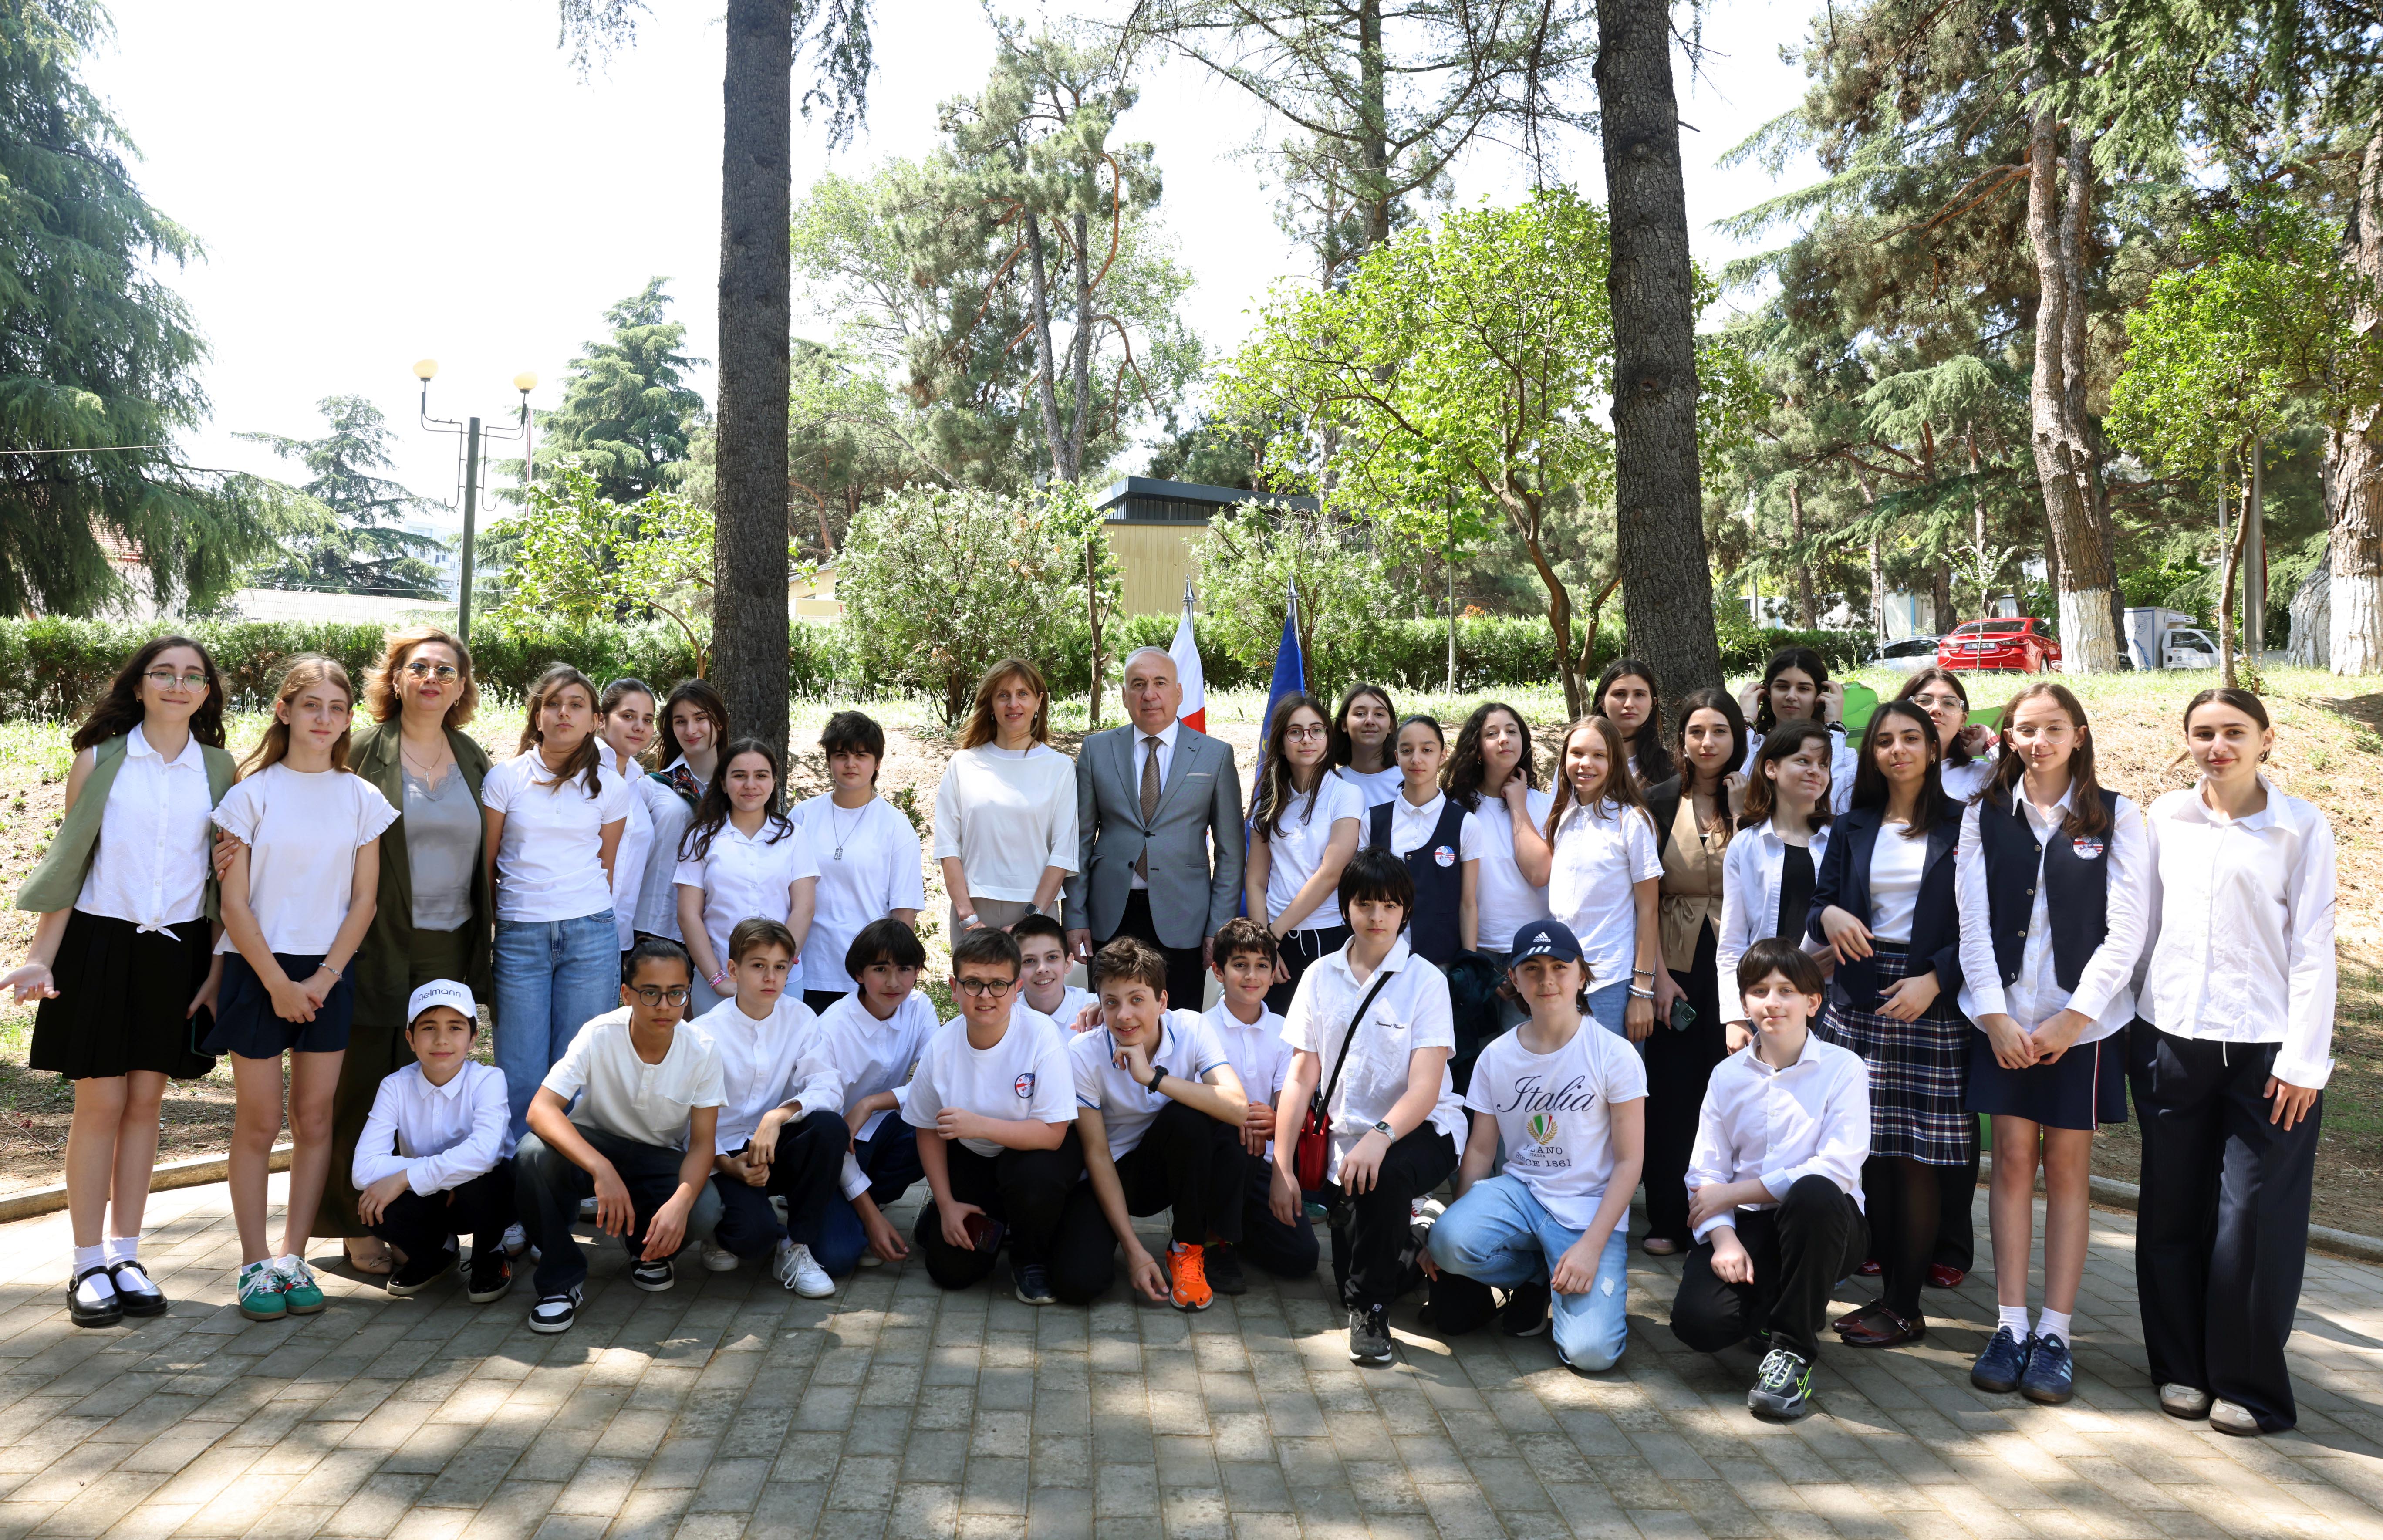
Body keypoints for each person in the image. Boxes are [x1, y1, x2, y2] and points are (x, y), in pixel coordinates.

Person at [6, 637, 236, 1328]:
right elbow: (71, 861)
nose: (178, 685)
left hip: (178, 953)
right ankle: (86, 1264)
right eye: (164, 673)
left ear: (206, 693)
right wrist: (42, 956)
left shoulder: (219, 769)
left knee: (145, 1104)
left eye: (193, 676)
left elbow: (223, 881)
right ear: (139, 685)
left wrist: (217, 971)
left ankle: (128, 1256)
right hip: (99, 947)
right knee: (100, 1104)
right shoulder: (100, 759)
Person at [2132, 687, 2336, 1437]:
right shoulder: (2165, 818)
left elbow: (2313, 946)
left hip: (2267, 1051)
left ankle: (2248, 1383)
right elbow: (2141, 928)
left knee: (2251, 1217)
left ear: (2265, 740)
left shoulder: (2299, 827)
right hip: (2170, 1037)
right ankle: (2180, 1366)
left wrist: (2303, 1060)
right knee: (2170, 1208)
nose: (2217, 746)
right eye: (2203, 733)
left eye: (2233, 732)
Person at [1954, 683, 2147, 1407]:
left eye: (2053, 728)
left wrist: (2075, 1018)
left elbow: (2127, 929)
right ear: (2007, 736)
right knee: (2009, 1162)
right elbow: (1971, 921)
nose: (2038, 741)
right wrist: (1995, 1016)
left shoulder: (2116, 815)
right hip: (2004, 1020)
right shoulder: (1983, 813)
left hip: (2080, 1026)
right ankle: (2009, 1326)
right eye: (2025, 729)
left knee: (2066, 1169)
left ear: (2078, 734)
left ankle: (2056, 1334)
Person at [208, 656, 397, 1323]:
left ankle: (293, 1259)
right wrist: (277, 984)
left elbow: (365, 900)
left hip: (327, 975)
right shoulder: (250, 794)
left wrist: (321, 978)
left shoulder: (362, 798)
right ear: (284, 711)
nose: (324, 718)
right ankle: (254, 1264)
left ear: (348, 720)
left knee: (314, 1120)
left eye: (337, 708)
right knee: (259, 1121)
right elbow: (234, 903)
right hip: (258, 970)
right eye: (311, 705)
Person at [318, 628, 498, 1273]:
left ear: (461, 686)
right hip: (375, 941)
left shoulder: (473, 756)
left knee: (430, 1091)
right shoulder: (361, 749)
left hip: (451, 947)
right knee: (365, 1088)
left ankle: (419, 1223)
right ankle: (352, 1219)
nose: (431, 679)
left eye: (446, 671)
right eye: (418, 667)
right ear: (395, 679)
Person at [1808, 699, 1968, 1350]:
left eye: (1910, 738)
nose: (1897, 750)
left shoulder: (1966, 823)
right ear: (1871, 753)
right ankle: (1882, 1294)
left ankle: (1906, 1306)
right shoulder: (1853, 824)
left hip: (1926, 995)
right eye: (1884, 740)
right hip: (1860, 993)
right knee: (1868, 1149)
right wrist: (1829, 918)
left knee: (1916, 1158)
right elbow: (1821, 902)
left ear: (1932, 749)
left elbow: (1987, 925)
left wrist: (1937, 979)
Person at [1273, 848, 1467, 1366]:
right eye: (1365, 903)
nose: (1377, 916)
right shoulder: (1319, 975)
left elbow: (1425, 1087)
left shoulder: (1426, 980)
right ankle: (1414, 1234)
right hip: (1347, 1143)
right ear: (1346, 908)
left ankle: (1371, 1313)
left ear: (1406, 910)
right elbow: (1301, 1075)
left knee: (1382, 1192)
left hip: (1423, 1128)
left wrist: (1380, 1136)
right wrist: (1282, 1166)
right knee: (1350, 1272)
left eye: (1390, 904)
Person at [1425, 919, 1647, 1371]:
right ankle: (1538, 1274)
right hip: (1522, 1195)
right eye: (1533, 969)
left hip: (1588, 1210)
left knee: (1591, 1354)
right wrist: (1455, 1236)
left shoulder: (1615, 1054)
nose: (1547, 980)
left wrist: (1590, 1247)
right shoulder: (1497, 1055)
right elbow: (1481, 1151)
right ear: (1514, 979)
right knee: (1448, 1241)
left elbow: (1630, 1162)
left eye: (1560, 967)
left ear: (1582, 975)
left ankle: (1565, 1276)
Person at [1668, 939, 1871, 1423]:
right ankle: (1777, 1309)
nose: (1772, 1002)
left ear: (1813, 1002)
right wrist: (1723, 1240)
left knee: (1813, 1191)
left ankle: (1793, 1353)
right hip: (1751, 1224)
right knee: (1699, 1323)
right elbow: (1706, 1173)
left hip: (1828, 1223)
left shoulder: (1844, 1068)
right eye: (1759, 991)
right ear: (1744, 1003)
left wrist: (1734, 1192)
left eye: (1786, 991)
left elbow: (1838, 1167)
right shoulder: (1726, 1075)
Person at [514, 939, 724, 1334]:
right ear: (626, 994)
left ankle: (648, 1251)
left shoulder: (703, 1050)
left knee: (704, 1208)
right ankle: (560, 1280)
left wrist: (680, 1203)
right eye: (651, 993)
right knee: (531, 1155)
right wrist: (601, 1169)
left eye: (676, 993)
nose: (664, 1006)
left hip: (658, 1156)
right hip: (596, 1144)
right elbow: (541, 1110)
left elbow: (702, 1144)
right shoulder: (599, 1033)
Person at [1050, 938, 1250, 1310]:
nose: (1124, 1015)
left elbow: (1239, 1109)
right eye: (1112, 1002)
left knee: (1192, 1120)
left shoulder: (1191, 1028)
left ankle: (1188, 1247)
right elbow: (1097, 1154)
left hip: (1178, 1161)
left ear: (1162, 1002)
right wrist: (1135, 1251)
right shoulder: (1083, 1053)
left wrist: (1152, 1077)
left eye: (1137, 999)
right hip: (1117, 1173)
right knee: (1077, 1284)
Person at [482, 664, 636, 1141]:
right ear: (538, 716)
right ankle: (519, 1173)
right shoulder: (506, 778)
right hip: (521, 936)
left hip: (590, 935)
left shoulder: (611, 786)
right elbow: (488, 864)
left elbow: (606, 866)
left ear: (594, 720)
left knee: (578, 1066)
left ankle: (568, 1174)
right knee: (521, 1068)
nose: (564, 713)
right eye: (553, 704)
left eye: (576, 705)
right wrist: (509, 920)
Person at [903, 927, 1083, 1303]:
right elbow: (927, 1129)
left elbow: (1053, 1134)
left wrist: (978, 1125)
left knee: (1034, 1176)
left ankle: (1029, 1259)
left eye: (998, 984)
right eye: (973, 983)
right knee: (950, 1272)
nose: (985, 996)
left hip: (1034, 1156)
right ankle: (945, 1214)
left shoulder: (1042, 1036)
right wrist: (948, 1204)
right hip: (974, 1158)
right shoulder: (941, 1047)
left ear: (1017, 988)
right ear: (954, 988)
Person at [1064, 647, 1244, 1011]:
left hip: (1185, 917)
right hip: (1111, 914)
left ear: (1178, 693)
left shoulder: (1215, 755)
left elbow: (1231, 852)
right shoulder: (1097, 750)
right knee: (1113, 1019)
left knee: (1178, 1022)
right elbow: (1079, 841)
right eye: (1138, 684)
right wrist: (1075, 915)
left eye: (1160, 683)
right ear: (1124, 695)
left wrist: (1218, 926)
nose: (1149, 694)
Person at [687, 919, 851, 1298]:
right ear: (733, 970)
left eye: (780, 967)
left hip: (775, 1145)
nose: (770, 978)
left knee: (829, 1127)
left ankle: (796, 1246)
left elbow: (828, 1085)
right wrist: (725, 1163)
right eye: (758, 965)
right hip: (724, 1156)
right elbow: (684, 1123)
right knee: (751, 1240)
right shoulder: (705, 1033)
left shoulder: (801, 1018)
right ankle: (719, 1230)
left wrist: (778, 1116)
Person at [1639, 687, 1748, 1255]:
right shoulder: (1657, 802)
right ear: (1681, 739)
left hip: (1738, 963)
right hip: (1675, 964)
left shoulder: (1757, 798)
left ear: (1737, 737)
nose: (1707, 742)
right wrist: (1656, 977)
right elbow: (1643, 898)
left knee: (1732, 1090)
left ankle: (1727, 1217)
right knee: (1673, 1091)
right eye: (1696, 732)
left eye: (1719, 731)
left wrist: (1745, 809)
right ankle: (1668, 1216)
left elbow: (1766, 878)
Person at [351, 980, 516, 1303]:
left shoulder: (489, 1080)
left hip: (482, 1196)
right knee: (373, 1202)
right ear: (411, 1039)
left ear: (473, 1038)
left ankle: (490, 1255)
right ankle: (438, 1253)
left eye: (455, 1027)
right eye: (428, 1028)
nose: (442, 1039)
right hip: (432, 1199)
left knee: (485, 1179)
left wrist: (405, 1177)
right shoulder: (395, 1086)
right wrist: (442, 1176)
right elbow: (364, 1170)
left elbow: (484, 1155)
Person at [1200, 918, 1320, 1290]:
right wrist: (1240, 1116)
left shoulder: (1285, 1031)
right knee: (1235, 1138)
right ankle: (1213, 1242)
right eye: (1240, 965)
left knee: (1302, 1257)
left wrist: (1274, 1119)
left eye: (1262, 966)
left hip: (1263, 1161)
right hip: (1217, 1158)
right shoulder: (1199, 1028)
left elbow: (1288, 1103)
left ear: (1272, 974)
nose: (1252, 976)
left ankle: (1235, 1229)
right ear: (1218, 972)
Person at [811, 919, 936, 1277]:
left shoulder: (919, 1007)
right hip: (837, 1148)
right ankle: (848, 1210)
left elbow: (939, 1081)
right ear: (859, 974)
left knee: (939, 1121)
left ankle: (871, 1201)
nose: (894, 982)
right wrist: (870, 1220)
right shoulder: (832, 1028)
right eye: (881, 969)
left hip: (884, 1131)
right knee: (837, 1258)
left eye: (905, 969)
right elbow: (826, 1132)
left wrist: (869, 1104)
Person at [672, 739, 818, 1017]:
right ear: (723, 783)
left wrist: (780, 969)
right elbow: (688, 915)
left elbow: (805, 908)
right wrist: (717, 979)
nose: (750, 785)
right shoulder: (701, 838)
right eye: (740, 776)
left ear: (773, 782)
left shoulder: (793, 836)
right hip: (718, 982)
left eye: (761, 775)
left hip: (782, 985)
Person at [792, 710, 923, 1013]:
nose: (851, 764)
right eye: (841, 755)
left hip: (868, 973)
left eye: (861, 756)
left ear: (877, 763)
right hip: (808, 967)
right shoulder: (802, 816)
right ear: (829, 761)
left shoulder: (896, 826)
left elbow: (904, 910)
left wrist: (894, 974)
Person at [934, 659, 1078, 935]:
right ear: (991, 704)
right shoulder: (962, 764)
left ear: (1039, 701)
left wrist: (1031, 920)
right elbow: (947, 846)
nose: (1013, 704)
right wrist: (968, 917)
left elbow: (1063, 853)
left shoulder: (1060, 768)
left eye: (1023, 694)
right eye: (1003, 695)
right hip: (972, 911)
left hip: (1037, 911)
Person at [1716, 720, 1835, 1050]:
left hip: (1829, 998)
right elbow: (1732, 940)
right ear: (1771, 768)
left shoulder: (1840, 841)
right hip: (1766, 998)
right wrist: (1734, 1016)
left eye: (1823, 764)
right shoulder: (1747, 845)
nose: (1815, 772)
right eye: (1803, 761)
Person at [1543, 716, 1662, 1042]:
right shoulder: (1562, 816)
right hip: (1560, 978)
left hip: (1611, 983)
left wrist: (1642, 992)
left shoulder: (1631, 821)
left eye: (1599, 755)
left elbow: (1649, 910)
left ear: (1615, 762)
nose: (1586, 764)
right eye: (1577, 753)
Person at [1245, 691, 1364, 1011]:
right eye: (1295, 732)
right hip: (1273, 939)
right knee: (1277, 1031)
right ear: (1281, 741)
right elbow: (1255, 880)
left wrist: (1274, 934)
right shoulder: (1267, 800)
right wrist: (1264, 945)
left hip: (1326, 934)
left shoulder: (1346, 794)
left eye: (1316, 730)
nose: (1307, 739)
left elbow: (1330, 874)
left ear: (1328, 737)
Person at [1367, 715, 1481, 967]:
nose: (1416, 759)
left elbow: (1468, 903)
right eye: (1407, 750)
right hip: (1381, 959)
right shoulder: (1373, 821)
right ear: (1397, 757)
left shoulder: (1465, 823)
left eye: (1427, 750)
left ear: (1443, 756)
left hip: (1442, 961)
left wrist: (1470, 964)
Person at [1444, 702, 1553, 963]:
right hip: (1478, 947)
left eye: (1512, 731)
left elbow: (1540, 874)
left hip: (1537, 948)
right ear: (1477, 749)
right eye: (1492, 734)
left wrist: (1518, 805)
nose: (1504, 739)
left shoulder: (1547, 805)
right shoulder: (1455, 810)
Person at [633, 680, 727, 944]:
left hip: (716, 930)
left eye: (700, 718)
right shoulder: (652, 787)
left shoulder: (739, 789)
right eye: (681, 721)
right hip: (652, 926)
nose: (691, 730)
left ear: (720, 722)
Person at [1741, 647, 1856, 814]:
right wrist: (1746, 721)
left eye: (1803, 689)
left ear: (1819, 696)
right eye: (1782, 687)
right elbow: (1740, 782)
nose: (1791, 696)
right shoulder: (1755, 747)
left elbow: (1833, 804)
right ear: (1768, 693)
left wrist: (1835, 727)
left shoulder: (1845, 756)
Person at [596, 679, 659, 956]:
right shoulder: (585, 773)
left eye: (648, 720)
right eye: (628, 716)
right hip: (578, 926)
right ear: (601, 720)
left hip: (619, 936)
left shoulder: (637, 782)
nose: (639, 727)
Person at [1899, 666, 1998, 804]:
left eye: (1949, 703)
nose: (1936, 709)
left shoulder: (1983, 776)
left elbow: (2026, 781)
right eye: (1924, 701)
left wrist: (1992, 745)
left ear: (1962, 721)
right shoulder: (1881, 768)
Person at [1594, 658, 1676, 788]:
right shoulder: (1580, 762)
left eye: (1639, 695)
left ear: (1653, 704)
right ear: (1602, 703)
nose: (1629, 704)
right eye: (1620, 694)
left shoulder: (1671, 767)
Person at [1015, 913, 1097, 1028]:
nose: (1042, 969)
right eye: (1029, 961)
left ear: (1068, 963)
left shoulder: (1098, 1009)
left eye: (1052, 957)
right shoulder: (1004, 1015)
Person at [1327, 683, 1401, 805]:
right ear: (1344, 725)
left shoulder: (1409, 781)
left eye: (1379, 714)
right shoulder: (1330, 784)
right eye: (1360, 714)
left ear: (1391, 726)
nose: (1370, 721)